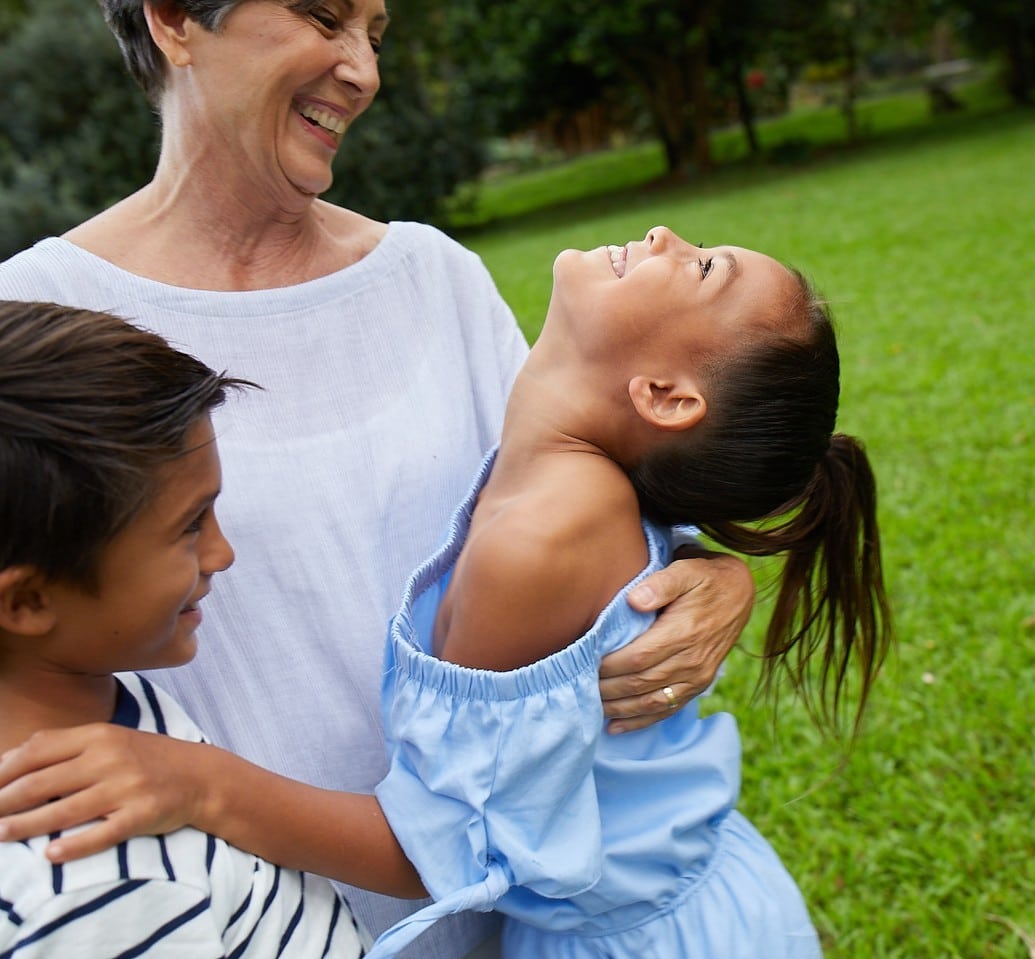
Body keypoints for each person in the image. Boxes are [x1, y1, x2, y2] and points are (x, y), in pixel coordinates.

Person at [0, 2, 752, 954]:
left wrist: (713, 574)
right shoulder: (34, 317)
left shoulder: (432, 279)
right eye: (323, 16)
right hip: (220, 925)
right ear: (174, 20)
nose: (362, 69)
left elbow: (585, 498)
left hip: (516, 917)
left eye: (376, 33)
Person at [365, 226, 893, 957]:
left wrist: (206, 788)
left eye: (703, 267)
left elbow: (451, 844)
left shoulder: (540, 537)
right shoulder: (586, 489)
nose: (664, 236)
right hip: (700, 908)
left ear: (667, 398)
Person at [0, 300, 370, 957]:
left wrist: (203, 782)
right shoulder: (93, 877)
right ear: (27, 601)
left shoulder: (95, 699)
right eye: (190, 524)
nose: (221, 553)